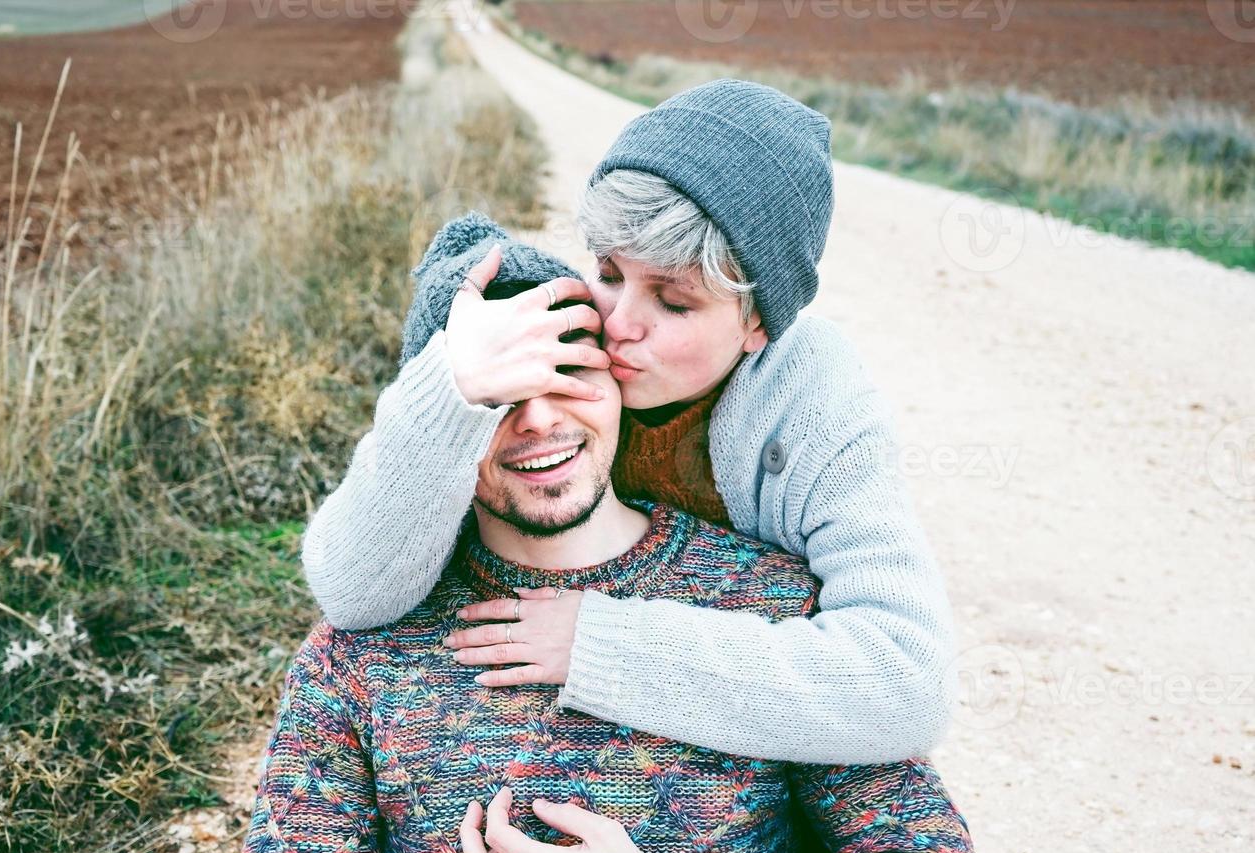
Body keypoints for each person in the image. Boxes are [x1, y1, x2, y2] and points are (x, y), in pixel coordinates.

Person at [230, 307, 997, 853]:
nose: (536, 421)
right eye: (495, 397)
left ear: (617, 378)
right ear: (437, 427)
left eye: (569, 370)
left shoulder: (771, 605)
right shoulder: (362, 649)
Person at [301, 79, 956, 768]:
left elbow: (908, 683)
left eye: (673, 302)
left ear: (758, 322)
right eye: (610, 272)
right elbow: (352, 589)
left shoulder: (813, 404)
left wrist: (598, 645)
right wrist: (452, 387)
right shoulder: (547, 358)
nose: (616, 324)